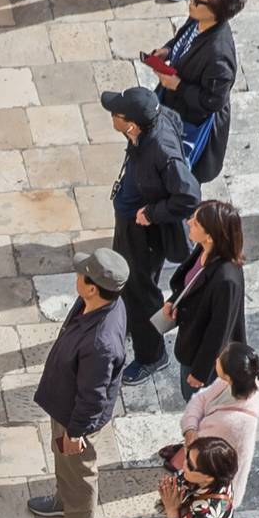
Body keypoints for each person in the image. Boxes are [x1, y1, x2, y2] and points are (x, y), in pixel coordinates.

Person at [30, 248, 128, 518]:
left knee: (79, 469)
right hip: (64, 400)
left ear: (92, 287)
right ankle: (65, 500)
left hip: (75, 415)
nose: (76, 277)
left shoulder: (101, 344)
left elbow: (92, 396)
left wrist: (76, 433)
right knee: (65, 462)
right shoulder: (99, 302)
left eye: (81, 274)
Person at [102, 85, 200, 373]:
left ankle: (152, 354)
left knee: (141, 290)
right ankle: (133, 323)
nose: (112, 117)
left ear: (130, 124)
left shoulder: (160, 150)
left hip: (143, 231)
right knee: (125, 276)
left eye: (116, 114)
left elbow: (189, 195)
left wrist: (153, 213)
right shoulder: (150, 125)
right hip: (129, 223)